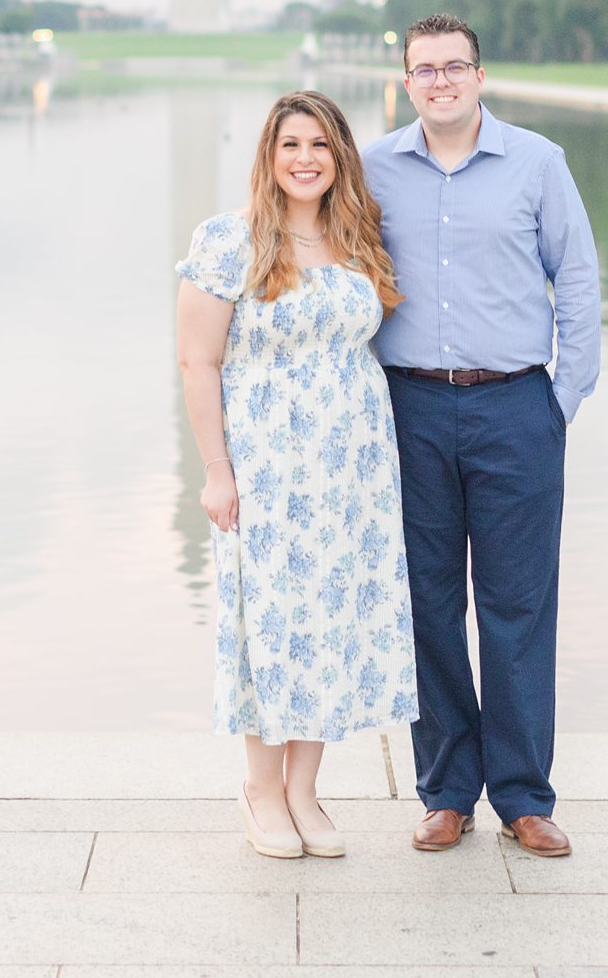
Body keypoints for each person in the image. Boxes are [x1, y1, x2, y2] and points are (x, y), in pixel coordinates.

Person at [363, 13, 600, 859]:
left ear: (480, 74)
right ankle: (448, 791)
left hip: (516, 409)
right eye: (423, 69)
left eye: (453, 65)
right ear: (406, 80)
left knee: (518, 607)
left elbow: (576, 279)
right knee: (428, 605)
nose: (439, 81)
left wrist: (560, 399)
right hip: (411, 410)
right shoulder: (375, 167)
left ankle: (526, 796)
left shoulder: (538, 162)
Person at [176, 89, 419, 861]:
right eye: (291, 145)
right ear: (269, 156)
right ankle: (260, 787)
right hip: (267, 467)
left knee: (332, 622)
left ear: (339, 155)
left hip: (351, 472)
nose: (306, 158)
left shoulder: (358, 240)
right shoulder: (231, 242)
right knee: (267, 622)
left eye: (320, 143)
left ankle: (306, 788)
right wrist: (217, 471)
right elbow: (198, 360)